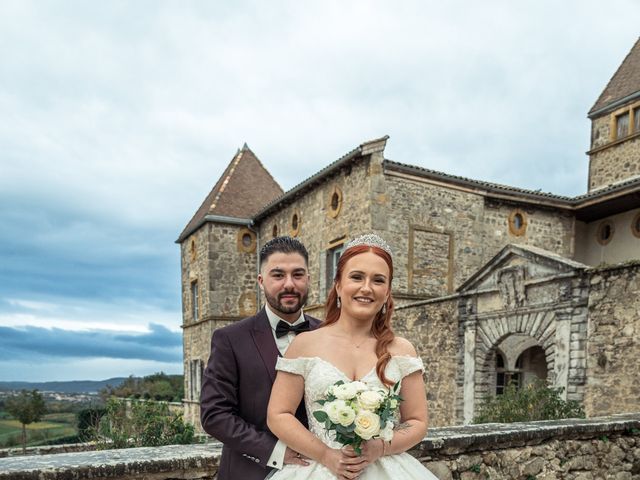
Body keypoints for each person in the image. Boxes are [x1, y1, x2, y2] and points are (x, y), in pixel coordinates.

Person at [267, 234, 438, 479]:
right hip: (320, 468)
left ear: (387, 291)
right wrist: (326, 454)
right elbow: (278, 415)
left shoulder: (402, 350)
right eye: (356, 277)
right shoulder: (304, 345)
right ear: (338, 284)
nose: (366, 288)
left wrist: (379, 448)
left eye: (378, 280)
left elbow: (417, 421)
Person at [200, 236, 322, 480]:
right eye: (278, 275)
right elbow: (215, 415)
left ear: (308, 279)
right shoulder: (229, 339)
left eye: (298, 275)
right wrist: (276, 451)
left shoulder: (329, 334)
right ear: (261, 280)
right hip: (250, 473)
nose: (289, 284)